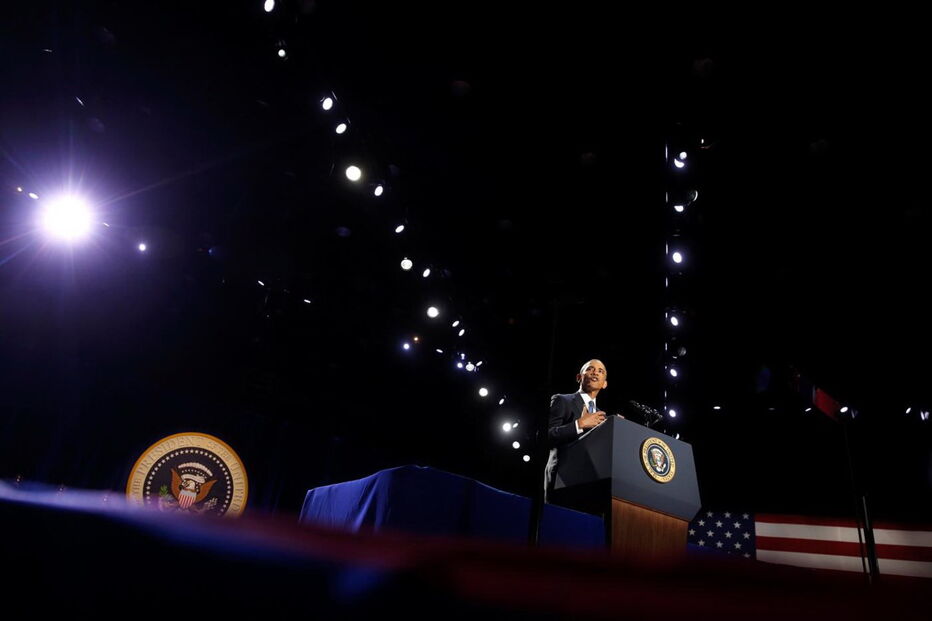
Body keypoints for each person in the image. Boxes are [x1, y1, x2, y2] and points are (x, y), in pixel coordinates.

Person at [543, 359, 610, 502]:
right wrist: (579, 424)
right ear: (579, 377)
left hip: (591, 483)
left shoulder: (602, 417)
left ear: (605, 384)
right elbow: (547, 435)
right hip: (561, 480)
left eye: (600, 371)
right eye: (590, 369)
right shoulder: (562, 400)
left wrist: (614, 428)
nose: (595, 372)